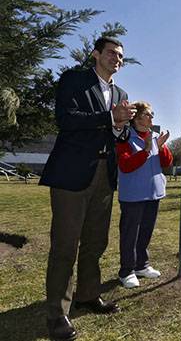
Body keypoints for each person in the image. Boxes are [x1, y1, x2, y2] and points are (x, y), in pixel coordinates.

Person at [39, 37, 136, 341]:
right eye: (111, 53)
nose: (116, 59)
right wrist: (111, 118)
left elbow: (119, 137)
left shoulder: (121, 93)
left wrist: (121, 127)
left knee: (96, 241)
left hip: (104, 177)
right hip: (72, 175)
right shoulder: (74, 80)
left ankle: (88, 294)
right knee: (65, 245)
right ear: (95, 54)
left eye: (121, 56)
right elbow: (66, 119)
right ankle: (57, 314)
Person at [116, 102, 172, 288]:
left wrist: (161, 147)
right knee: (130, 234)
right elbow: (126, 165)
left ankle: (142, 265)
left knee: (146, 232)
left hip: (153, 193)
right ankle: (127, 271)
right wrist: (147, 150)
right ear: (137, 117)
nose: (151, 118)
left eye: (152, 114)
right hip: (133, 195)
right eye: (148, 114)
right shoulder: (125, 136)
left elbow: (166, 162)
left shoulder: (154, 136)